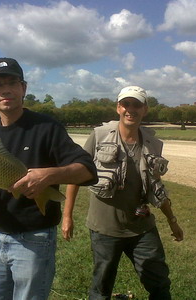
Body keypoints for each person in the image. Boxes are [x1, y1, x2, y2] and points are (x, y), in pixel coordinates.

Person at [0, 57, 97, 300]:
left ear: (23, 88)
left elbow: (88, 170)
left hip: (35, 239)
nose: (6, 89)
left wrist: (48, 175)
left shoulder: (46, 127)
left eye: (12, 82)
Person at [64, 86, 184, 300]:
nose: (131, 109)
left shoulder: (153, 144)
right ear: (118, 107)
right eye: (126, 104)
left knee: (159, 282)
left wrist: (172, 220)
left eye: (136, 104)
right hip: (105, 229)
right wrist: (67, 216)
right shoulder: (99, 136)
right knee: (101, 287)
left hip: (142, 227)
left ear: (144, 109)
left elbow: (157, 187)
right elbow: (76, 174)